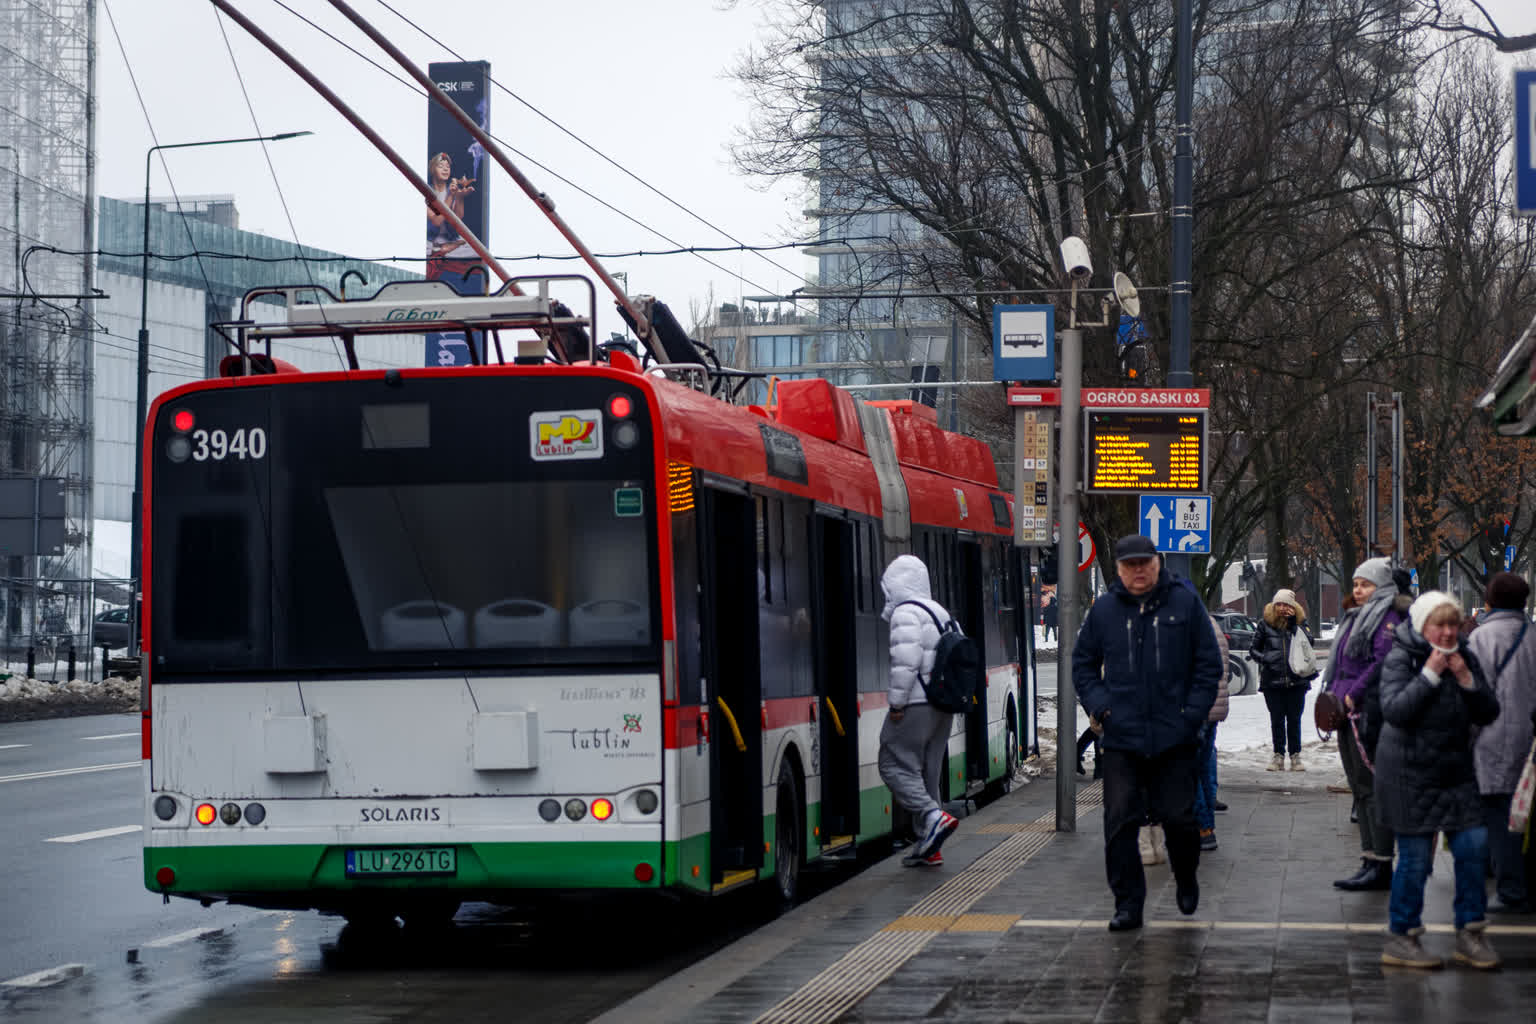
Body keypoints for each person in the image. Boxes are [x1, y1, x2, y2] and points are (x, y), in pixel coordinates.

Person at [1074, 534, 1222, 931]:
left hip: (1174, 735)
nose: (1139, 572)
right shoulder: (1104, 611)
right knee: (1120, 821)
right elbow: (1083, 665)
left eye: (1145, 563)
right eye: (1130, 566)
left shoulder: (1185, 604)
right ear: (1119, 570)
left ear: (1158, 563)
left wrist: (1192, 715)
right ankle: (1127, 904)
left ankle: (1186, 876)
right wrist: (1101, 706)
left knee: (1179, 819)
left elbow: (1208, 666)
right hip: (1122, 737)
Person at [1374, 591, 1501, 969]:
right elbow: (1395, 711)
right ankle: (1402, 936)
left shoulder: (1467, 656)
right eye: (1439, 625)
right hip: (1408, 773)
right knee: (1415, 860)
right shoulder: (1402, 657)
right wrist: (1430, 674)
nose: (1447, 633)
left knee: (1474, 848)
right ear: (1421, 626)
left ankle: (1470, 933)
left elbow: (1488, 711)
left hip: (1455, 772)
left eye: (1453, 624)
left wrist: (1465, 678)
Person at [1325, 557, 1409, 892]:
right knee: (1359, 788)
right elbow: (1343, 665)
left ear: (1382, 587)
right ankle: (1368, 857)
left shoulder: (1386, 619)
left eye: (1366, 584)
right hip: (1347, 711)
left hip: (1367, 713)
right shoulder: (1356, 617)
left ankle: (1382, 863)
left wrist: (1351, 696)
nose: (1358, 590)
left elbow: (1380, 665)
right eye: (1356, 584)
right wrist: (1332, 696)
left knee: (1373, 789)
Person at [877, 553, 960, 868]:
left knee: (892, 763)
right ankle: (929, 846)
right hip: (943, 705)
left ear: (898, 584)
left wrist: (897, 703)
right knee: (928, 772)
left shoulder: (906, 613)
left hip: (915, 703)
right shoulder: (940, 612)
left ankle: (931, 816)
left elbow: (906, 660)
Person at [1465, 572, 1536, 915]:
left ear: (1490, 600)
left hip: (1492, 740)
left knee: (1500, 816)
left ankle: (1509, 890)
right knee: (1526, 813)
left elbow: (1474, 695)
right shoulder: (1534, 635)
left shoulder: (1482, 638)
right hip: (1530, 740)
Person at [1249, 589, 1315, 771]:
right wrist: (1265, 658)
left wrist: (1294, 625)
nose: (1282, 608)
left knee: (1294, 719)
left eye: (1286, 604)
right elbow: (1253, 649)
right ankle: (1278, 755)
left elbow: (1309, 643)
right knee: (1277, 720)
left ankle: (1295, 756)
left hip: (1296, 681)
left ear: (1293, 607)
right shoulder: (1265, 624)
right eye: (1279, 604)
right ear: (1274, 605)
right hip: (1273, 681)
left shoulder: (1301, 623)